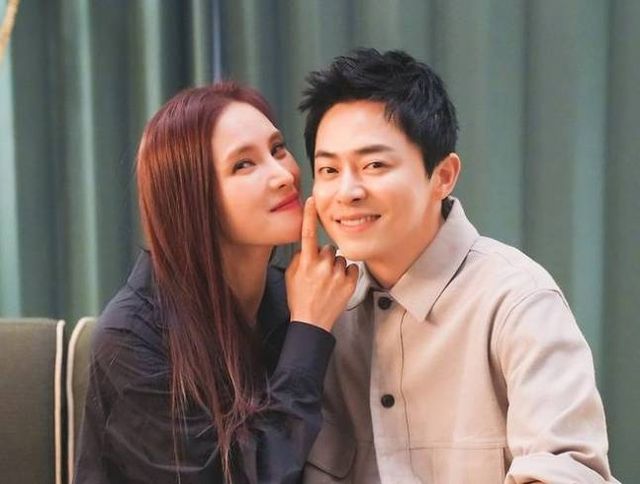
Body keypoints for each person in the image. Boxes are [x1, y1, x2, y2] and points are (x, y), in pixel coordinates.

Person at [299, 49, 618, 483]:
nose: (347, 191)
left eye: (374, 164)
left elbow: (567, 470)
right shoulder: (318, 312)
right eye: (329, 169)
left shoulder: (517, 301)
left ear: (443, 176)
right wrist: (307, 331)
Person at [74, 82, 358, 484]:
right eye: (243, 165)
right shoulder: (132, 337)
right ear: (192, 198)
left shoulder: (292, 296)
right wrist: (308, 330)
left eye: (278, 149)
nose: (283, 175)